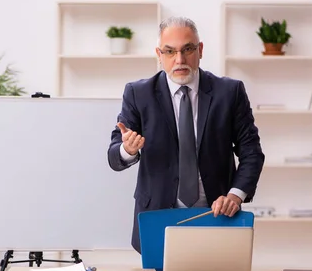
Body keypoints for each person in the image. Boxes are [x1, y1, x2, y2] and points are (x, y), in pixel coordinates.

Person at [107, 16, 265, 253]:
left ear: (200, 50)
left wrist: (235, 196)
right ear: (159, 55)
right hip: (157, 217)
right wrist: (127, 150)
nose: (179, 60)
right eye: (169, 52)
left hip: (217, 214)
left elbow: (251, 152)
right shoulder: (139, 93)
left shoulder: (229, 92)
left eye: (187, 49)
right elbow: (114, 156)